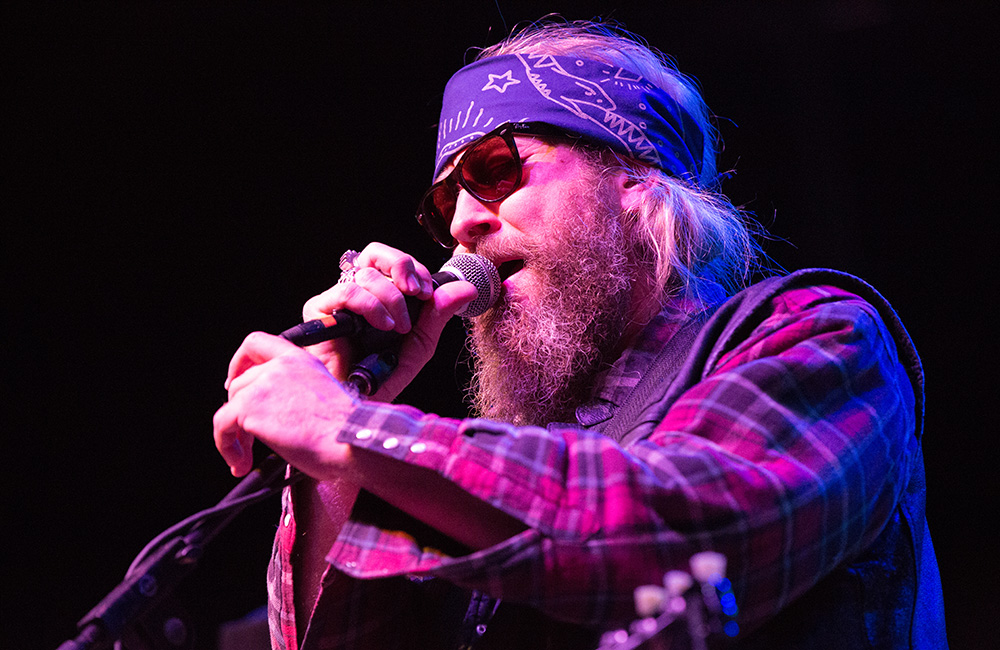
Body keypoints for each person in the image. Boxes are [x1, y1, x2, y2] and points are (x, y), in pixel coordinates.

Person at [213, 20, 946, 650]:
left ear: (633, 175)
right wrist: (335, 448)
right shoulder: (501, 481)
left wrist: (351, 429)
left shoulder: (817, 334)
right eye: (447, 203)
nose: (465, 221)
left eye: (497, 169)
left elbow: (680, 526)